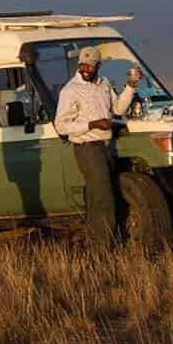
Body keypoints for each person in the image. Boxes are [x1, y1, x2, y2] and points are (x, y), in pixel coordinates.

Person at [53, 45, 141, 246]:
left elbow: (118, 108)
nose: (85, 69)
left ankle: (96, 244)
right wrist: (92, 124)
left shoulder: (104, 84)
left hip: (105, 145)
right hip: (87, 146)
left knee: (97, 194)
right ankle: (105, 244)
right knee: (103, 195)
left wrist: (131, 86)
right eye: (82, 65)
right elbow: (61, 126)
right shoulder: (70, 90)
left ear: (98, 66)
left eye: (90, 66)